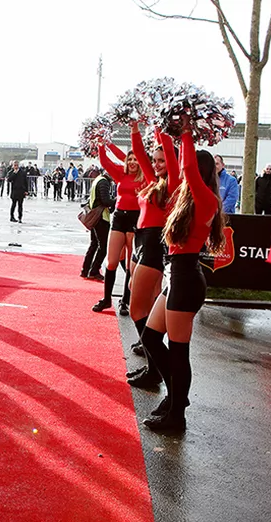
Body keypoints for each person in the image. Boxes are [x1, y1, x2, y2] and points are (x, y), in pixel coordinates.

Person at [140, 128, 226, 433]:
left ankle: (176, 414)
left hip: (186, 279)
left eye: (189, 167)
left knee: (179, 351)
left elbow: (186, 166)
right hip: (177, 277)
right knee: (151, 338)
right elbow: (178, 164)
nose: (181, 169)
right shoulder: (185, 196)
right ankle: (177, 397)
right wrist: (165, 131)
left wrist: (187, 130)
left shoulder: (206, 198)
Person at [127, 123, 180, 389]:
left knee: (136, 308)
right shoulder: (154, 181)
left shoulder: (173, 185)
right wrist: (135, 127)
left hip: (153, 246)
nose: (157, 164)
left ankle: (155, 369)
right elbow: (139, 151)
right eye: (155, 160)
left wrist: (163, 126)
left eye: (161, 160)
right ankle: (152, 367)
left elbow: (170, 152)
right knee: (139, 301)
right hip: (142, 242)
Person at [95, 142, 143, 315]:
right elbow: (105, 161)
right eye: (129, 159)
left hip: (135, 219)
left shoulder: (145, 176)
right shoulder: (120, 173)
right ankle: (107, 298)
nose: (132, 162)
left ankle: (125, 301)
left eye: (136, 159)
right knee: (112, 261)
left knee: (130, 263)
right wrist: (103, 144)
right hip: (119, 217)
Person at [81, 172, 115, 280]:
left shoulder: (98, 179)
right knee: (102, 247)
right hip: (101, 217)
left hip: (95, 216)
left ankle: (85, 270)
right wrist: (117, 200)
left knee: (94, 244)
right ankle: (94, 271)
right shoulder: (104, 182)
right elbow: (106, 201)